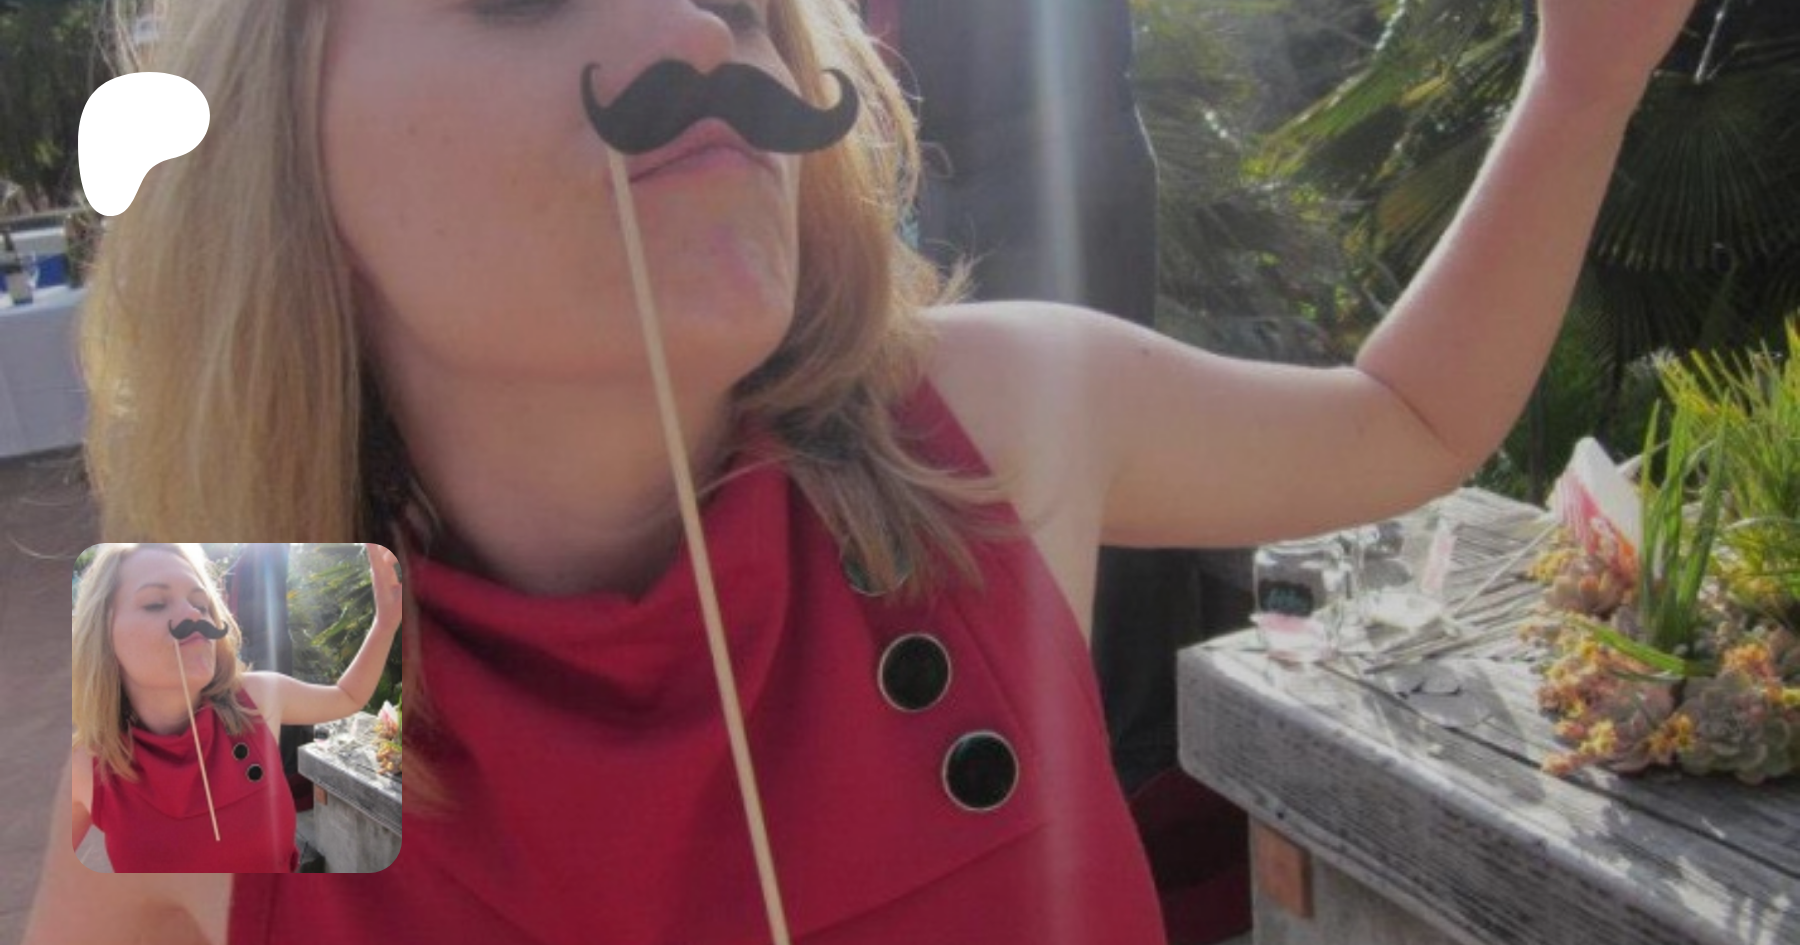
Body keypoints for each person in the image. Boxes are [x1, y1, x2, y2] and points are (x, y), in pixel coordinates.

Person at [25, 0, 1700, 942]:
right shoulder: (231, 663)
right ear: (273, 156)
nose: (699, 26)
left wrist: (1585, 77)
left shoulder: (975, 440)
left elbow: (1405, 422)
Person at [64, 543, 401, 874]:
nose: (194, 615)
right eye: (155, 603)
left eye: (201, 603)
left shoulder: (256, 701)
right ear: (102, 633)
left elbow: (347, 697)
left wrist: (385, 622)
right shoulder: (87, 766)